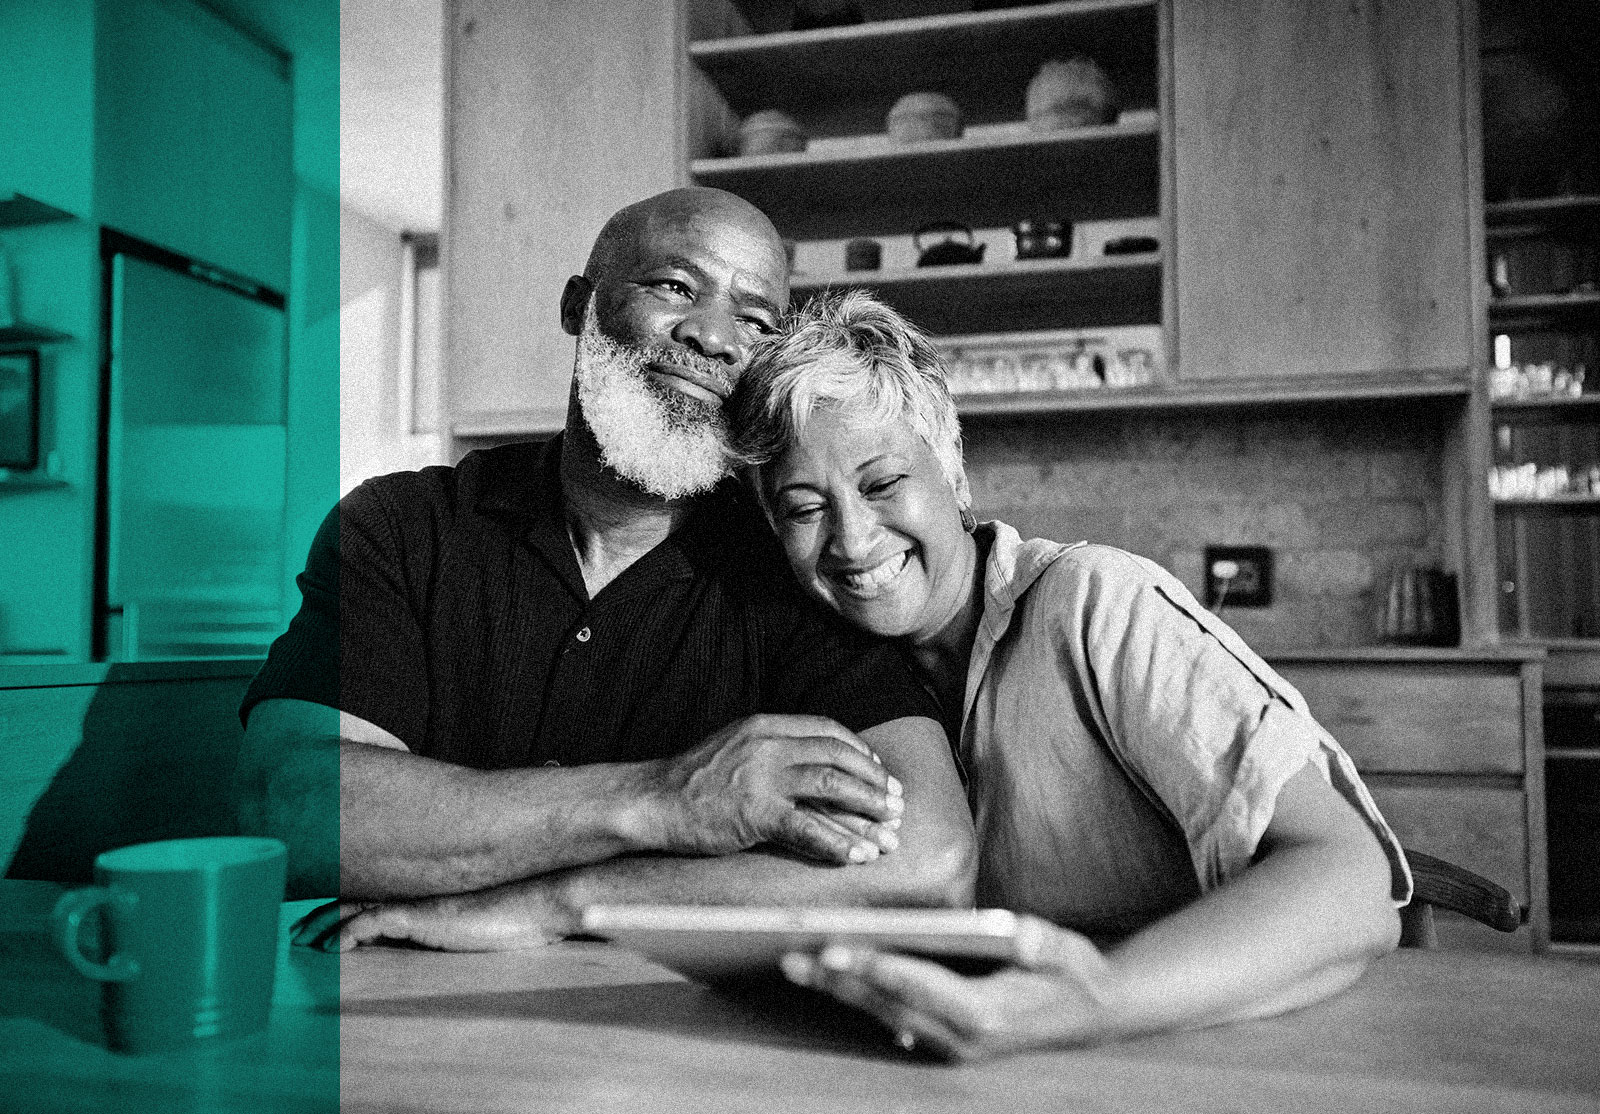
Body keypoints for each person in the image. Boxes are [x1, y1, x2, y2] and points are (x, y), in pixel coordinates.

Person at [235, 190, 975, 952]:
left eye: (754, 321)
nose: (713, 336)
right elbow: (288, 808)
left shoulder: (793, 567)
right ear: (578, 307)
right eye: (675, 288)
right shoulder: (404, 527)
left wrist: (569, 899)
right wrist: (664, 798)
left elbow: (931, 860)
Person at [726, 290, 1410, 1061]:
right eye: (804, 507)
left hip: (1207, 1052)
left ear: (953, 478)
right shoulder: (831, 678)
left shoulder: (1094, 602)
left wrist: (1085, 1003)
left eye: (882, 484)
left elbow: (1354, 879)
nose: (851, 539)